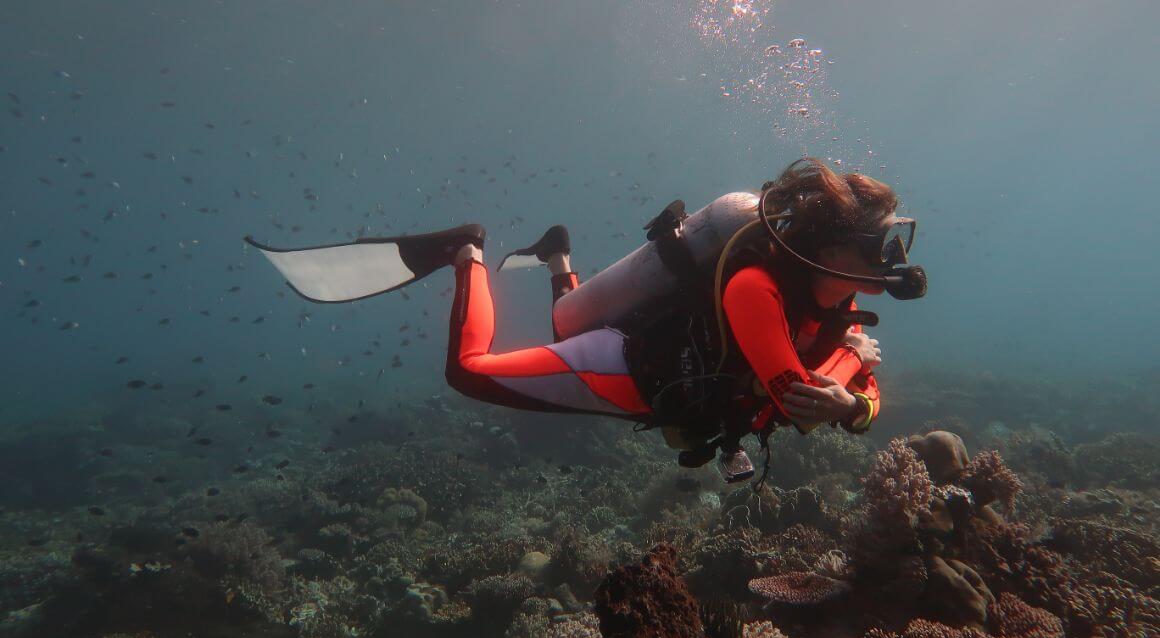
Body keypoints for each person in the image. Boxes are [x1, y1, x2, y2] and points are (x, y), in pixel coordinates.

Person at [246, 158, 924, 483]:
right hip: (626, 369)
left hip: (666, 388)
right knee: (468, 373)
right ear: (825, 247)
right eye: (876, 244)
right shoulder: (755, 285)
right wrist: (846, 390)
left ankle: (557, 255)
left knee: (568, 322)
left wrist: (851, 394)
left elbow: (858, 387)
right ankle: (467, 249)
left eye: (889, 243)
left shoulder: (835, 308)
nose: (890, 259)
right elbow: (801, 402)